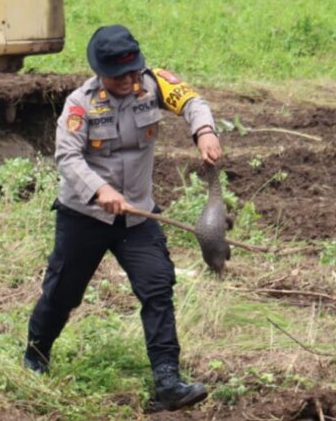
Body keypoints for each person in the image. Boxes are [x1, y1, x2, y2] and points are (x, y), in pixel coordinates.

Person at [24, 25, 222, 412]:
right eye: (121, 76)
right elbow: (67, 157)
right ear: (101, 72)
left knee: (157, 287)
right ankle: (36, 354)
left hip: (138, 215)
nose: (130, 81)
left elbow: (193, 102)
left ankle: (167, 379)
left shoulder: (154, 84)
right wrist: (100, 190)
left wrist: (205, 132)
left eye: (134, 72)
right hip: (84, 216)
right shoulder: (80, 104)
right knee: (63, 291)